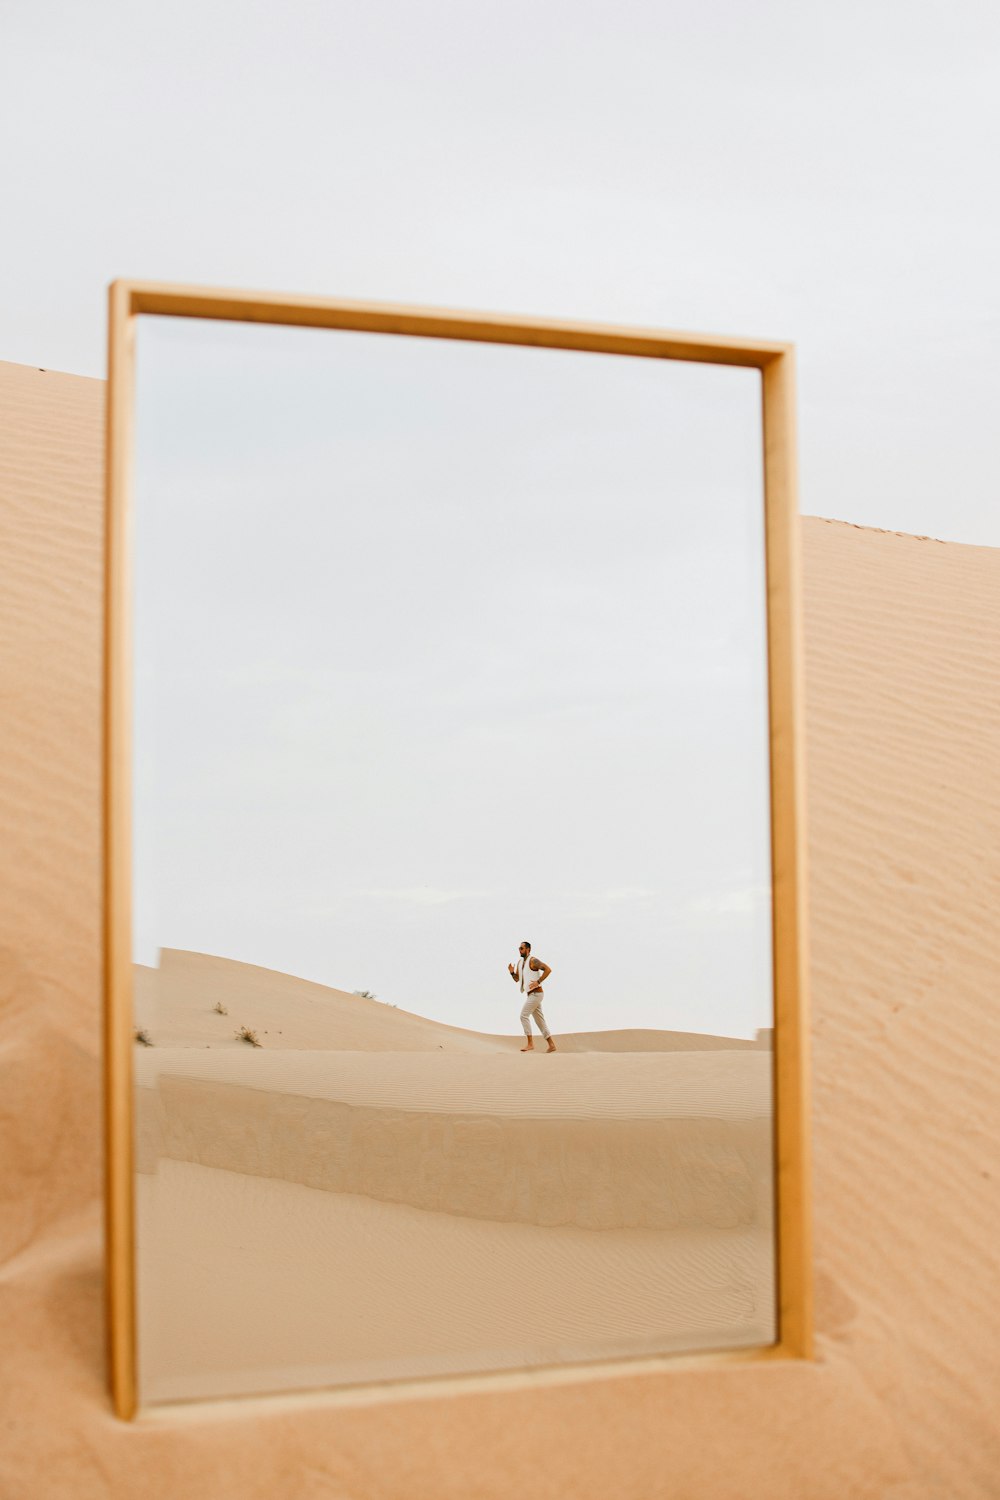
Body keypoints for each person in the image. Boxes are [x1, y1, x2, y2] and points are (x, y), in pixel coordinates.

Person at [508, 940, 556, 1052]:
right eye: (519, 948)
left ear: (528, 949)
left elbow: (548, 970)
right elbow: (517, 979)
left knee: (523, 1015)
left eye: (522, 948)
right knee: (540, 1021)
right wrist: (511, 973)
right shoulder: (520, 963)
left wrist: (538, 981)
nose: (519, 950)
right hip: (530, 995)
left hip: (536, 994)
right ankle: (551, 1044)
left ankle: (530, 1044)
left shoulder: (533, 961)